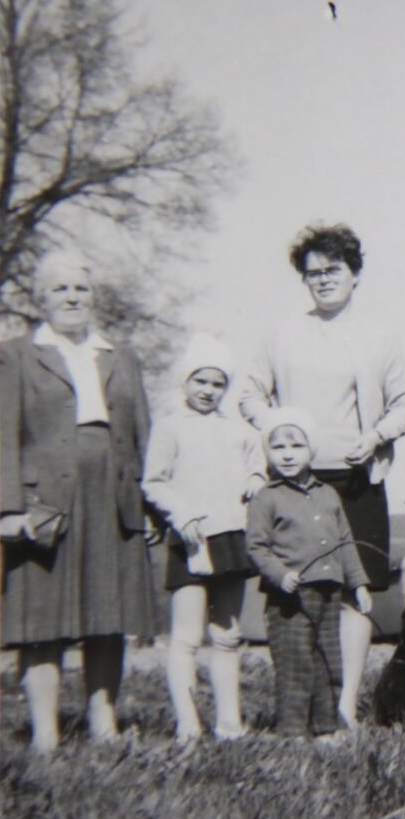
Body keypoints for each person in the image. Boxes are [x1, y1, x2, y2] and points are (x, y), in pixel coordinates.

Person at [239, 223, 405, 728]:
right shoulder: (283, 334)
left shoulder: (379, 336)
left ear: (355, 274)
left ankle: (343, 706)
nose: (323, 279)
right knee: (302, 595)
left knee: (356, 593)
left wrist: (377, 435)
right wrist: (280, 431)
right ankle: (304, 706)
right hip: (298, 486)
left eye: (333, 269)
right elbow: (249, 395)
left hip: (358, 480)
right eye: (313, 273)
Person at [0, 253, 155, 752]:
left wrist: (150, 503)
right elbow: (2, 434)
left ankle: (103, 722)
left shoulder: (120, 355)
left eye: (80, 289)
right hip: (45, 503)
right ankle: (45, 731)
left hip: (113, 498)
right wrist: (8, 508)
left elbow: (143, 434)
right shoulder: (16, 355)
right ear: (39, 298)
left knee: (108, 616)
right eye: (59, 289)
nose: (71, 298)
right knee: (41, 619)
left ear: (93, 297)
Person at [142, 334, 267, 743]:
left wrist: (255, 477)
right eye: (201, 381)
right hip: (191, 540)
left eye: (218, 383)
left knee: (227, 635)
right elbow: (154, 482)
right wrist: (181, 514)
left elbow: (257, 465)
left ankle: (230, 724)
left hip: (230, 535)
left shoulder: (238, 430)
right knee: (187, 637)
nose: (208, 390)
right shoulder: (169, 427)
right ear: (185, 381)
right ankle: (188, 723)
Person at [245, 408, 372, 740]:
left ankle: (325, 728)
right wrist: (279, 574)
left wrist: (359, 584)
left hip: (329, 592)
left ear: (311, 450)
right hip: (290, 597)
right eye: (278, 447)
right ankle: (292, 732)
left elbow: (345, 541)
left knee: (328, 660)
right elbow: (256, 547)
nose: (287, 455)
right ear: (268, 453)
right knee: (295, 663)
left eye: (296, 446)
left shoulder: (327, 494)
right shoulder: (266, 498)